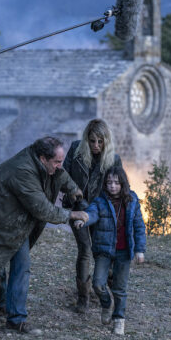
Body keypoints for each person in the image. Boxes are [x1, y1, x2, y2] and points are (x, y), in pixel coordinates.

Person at [0, 136, 88, 335]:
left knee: (22, 267)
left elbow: (60, 175)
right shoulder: (22, 171)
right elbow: (43, 209)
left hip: (18, 223)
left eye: (61, 161)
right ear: (43, 159)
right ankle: (1, 304)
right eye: (57, 162)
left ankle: (16, 319)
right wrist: (72, 215)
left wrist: (72, 188)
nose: (60, 166)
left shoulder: (45, 164)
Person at [76, 165, 145, 335]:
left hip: (124, 251)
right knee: (98, 284)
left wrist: (140, 249)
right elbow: (92, 213)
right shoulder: (100, 201)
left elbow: (139, 226)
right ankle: (106, 304)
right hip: (104, 250)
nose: (112, 186)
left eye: (116, 182)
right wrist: (83, 219)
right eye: (109, 183)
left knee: (120, 288)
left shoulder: (132, 200)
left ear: (123, 183)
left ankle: (119, 320)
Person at [63, 119, 121, 313]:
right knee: (85, 249)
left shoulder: (114, 159)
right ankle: (83, 297)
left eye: (100, 141)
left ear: (106, 141)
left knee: (103, 251)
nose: (96, 146)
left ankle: (109, 292)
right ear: (86, 139)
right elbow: (63, 176)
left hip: (101, 211)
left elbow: (120, 188)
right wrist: (71, 191)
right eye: (92, 141)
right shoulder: (75, 150)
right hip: (77, 207)